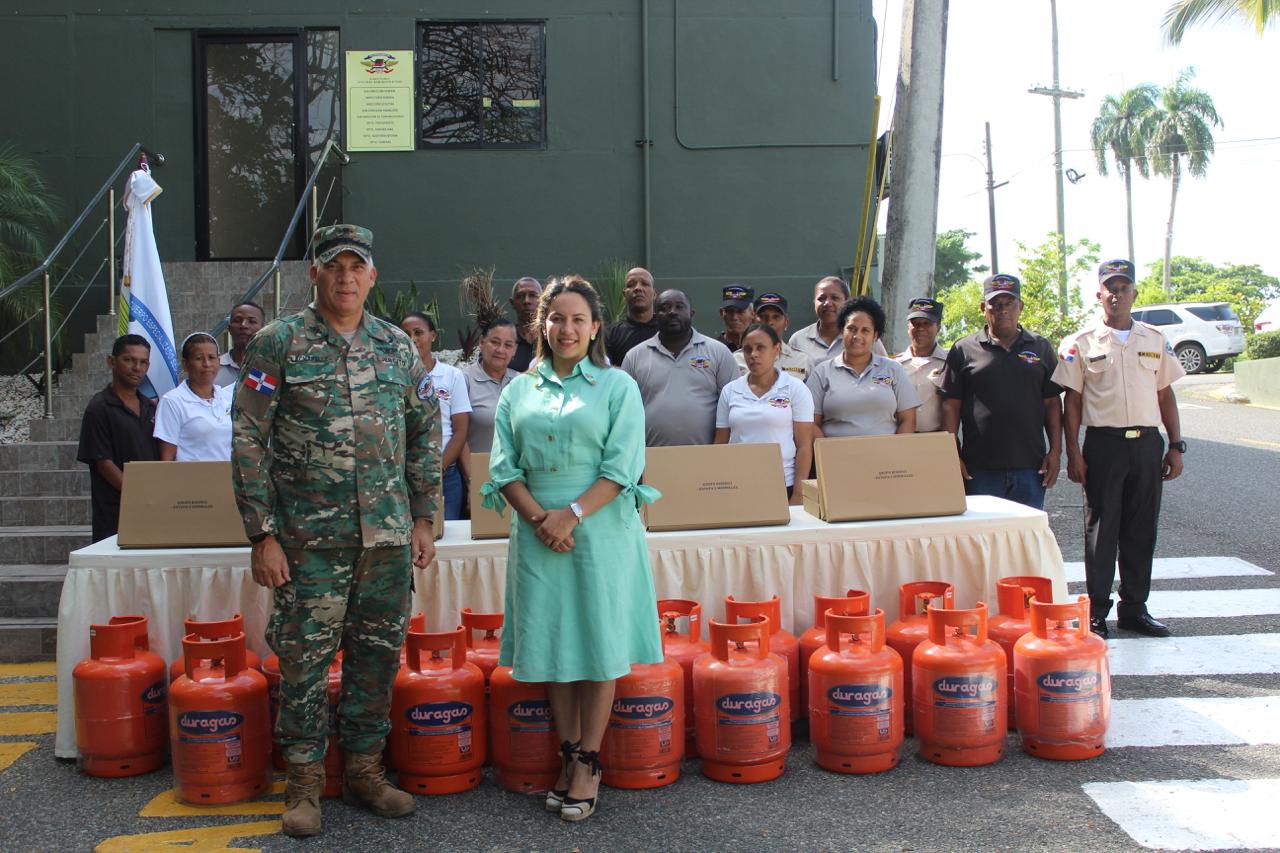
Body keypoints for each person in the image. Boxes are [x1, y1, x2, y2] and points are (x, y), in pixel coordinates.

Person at [232, 224, 441, 838]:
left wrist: (424, 517)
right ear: (314, 274)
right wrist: (261, 533)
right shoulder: (278, 344)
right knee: (302, 662)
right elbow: (248, 437)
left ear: (372, 276)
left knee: (376, 660)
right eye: (335, 266)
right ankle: (302, 783)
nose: (347, 276)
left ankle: (364, 772)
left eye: (358, 266)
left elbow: (424, 431)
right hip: (306, 544)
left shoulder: (397, 348)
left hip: (386, 542)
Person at [480, 276, 663, 822]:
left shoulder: (617, 386)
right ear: (542, 325)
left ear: (595, 327)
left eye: (578, 319)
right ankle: (566, 752)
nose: (567, 328)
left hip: (600, 526)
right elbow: (502, 466)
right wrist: (542, 518)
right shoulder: (519, 390)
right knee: (557, 645)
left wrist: (572, 514)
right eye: (557, 318)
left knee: (598, 638)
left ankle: (589, 760)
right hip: (537, 529)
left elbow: (623, 465)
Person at [1054, 259, 1186, 639]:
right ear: (1099, 295)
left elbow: (1166, 394)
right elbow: (1072, 403)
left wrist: (1175, 446)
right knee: (1101, 529)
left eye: (1124, 287)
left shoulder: (1155, 340)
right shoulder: (1079, 343)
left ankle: (1134, 608)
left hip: (1146, 444)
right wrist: (1073, 453)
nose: (1117, 294)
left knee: (1141, 528)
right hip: (1104, 446)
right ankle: (1096, 611)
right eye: (1110, 287)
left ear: (1134, 293)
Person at [940, 274, 1062, 510]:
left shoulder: (1041, 347)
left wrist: (1056, 452)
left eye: (1009, 303)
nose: (1002, 310)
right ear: (983, 308)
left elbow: (1052, 403)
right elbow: (950, 406)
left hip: (1031, 468)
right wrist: (951, 454)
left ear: (1021, 307)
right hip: (979, 470)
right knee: (983, 541)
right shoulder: (964, 349)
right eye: (995, 304)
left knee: (1025, 542)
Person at [621, 289, 737, 446]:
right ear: (655, 316)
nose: (672, 312)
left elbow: (734, 406)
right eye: (665, 307)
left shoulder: (719, 352)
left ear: (691, 313)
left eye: (679, 306)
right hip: (651, 459)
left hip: (707, 459)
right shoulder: (634, 357)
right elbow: (623, 414)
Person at [715, 323, 815, 504]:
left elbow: (804, 446)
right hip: (738, 484)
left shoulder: (795, 388)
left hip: (784, 483)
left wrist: (799, 494)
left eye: (761, 348)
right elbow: (720, 444)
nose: (753, 354)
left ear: (776, 350)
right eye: (747, 349)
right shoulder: (730, 391)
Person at [76, 334, 159, 542]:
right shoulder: (99, 408)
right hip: (115, 515)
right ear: (111, 361)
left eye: (143, 362)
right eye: (129, 360)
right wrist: (139, 496)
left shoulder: (152, 408)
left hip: (153, 510)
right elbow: (104, 463)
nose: (136, 367)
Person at [806, 296, 920, 437]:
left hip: (886, 456)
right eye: (851, 329)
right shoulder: (822, 372)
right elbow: (810, 422)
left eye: (865, 330)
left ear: (875, 335)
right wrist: (827, 453)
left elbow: (908, 420)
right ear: (842, 331)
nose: (857, 336)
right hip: (836, 456)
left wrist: (894, 454)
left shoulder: (893, 369)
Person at [400, 312, 471, 520]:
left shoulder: (452, 375)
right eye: (406, 334)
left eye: (418, 332)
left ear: (433, 335)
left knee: (448, 539)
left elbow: (461, 431)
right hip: (403, 477)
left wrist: (437, 469)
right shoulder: (393, 376)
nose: (412, 339)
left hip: (445, 476)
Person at [154, 332, 234, 461]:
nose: (206, 364)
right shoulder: (172, 401)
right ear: (185, 364)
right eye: (198, 358)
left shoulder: (228, 398)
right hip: (190, 479)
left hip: (226, 479)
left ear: (219, 362)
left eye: (211, 357)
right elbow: (167, 458)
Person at [789, 276, 887, 362]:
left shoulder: (864, 337)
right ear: (814, 302)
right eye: (821, 298)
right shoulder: (798, 340)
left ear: (846, 301)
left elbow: (885, 373)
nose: (827, 303)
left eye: (835, 298)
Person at [462, 317, 519, 455]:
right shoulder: (464, 380)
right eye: (495, 342)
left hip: (517, 471)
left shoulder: (521, 381)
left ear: (514, 350)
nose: (500, 350)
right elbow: (457, 435)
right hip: (478, 470)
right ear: (481, 342)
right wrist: (471, 475)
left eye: (508, 345)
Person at [893, 297, 949, 432]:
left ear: (938, 328)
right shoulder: (894, 366)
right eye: (916, 324)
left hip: (936, 440)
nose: (921, 328)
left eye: (927, 323)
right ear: (908, 328)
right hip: (902, 439)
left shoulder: (950, 362)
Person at [733, 292, 812, 380]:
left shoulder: (802, 360)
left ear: (786, 322)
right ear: (754, 321)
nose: (770, 322)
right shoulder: (736, 360)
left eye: (776, 317)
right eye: (763, 317)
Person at [603, 266, 658, 366]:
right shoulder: (609, 334)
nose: (638, 288)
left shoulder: (667, 332)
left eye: (645, 284)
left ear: (654, 294)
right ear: (624, 295)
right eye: (631, 285)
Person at [215, 301, 266, 387]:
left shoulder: (273, 368)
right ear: (229, 328)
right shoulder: (213, 368)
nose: (243, 325)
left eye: (252, 321)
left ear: (264, 329)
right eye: (237, 321)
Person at [508, 276, 543, 372]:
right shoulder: (505, 339)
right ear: (512, 303)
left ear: (542, 301)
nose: (526, 301)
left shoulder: (550, 339)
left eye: (533, 295)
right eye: (520, 296)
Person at [716, 283, 755, 352]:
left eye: (740, 312)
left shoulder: (762, 348)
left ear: (753, 313)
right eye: (729, 311)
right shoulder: (713, 349)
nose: (734, 317)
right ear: (722, 313)